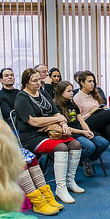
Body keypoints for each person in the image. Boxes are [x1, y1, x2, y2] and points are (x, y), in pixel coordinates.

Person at [0, 73, 61, 215]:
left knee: (31, 158)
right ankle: (37, 202)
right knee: (20, 162)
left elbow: (2, 124)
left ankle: (47, 196)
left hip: (3, 143)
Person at [14, 68, 84, 204]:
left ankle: (70, 181)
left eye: (39, 80)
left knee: (76, 144)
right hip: (31, 136)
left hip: (50, 132)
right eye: (34, 81)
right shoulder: (21, 97)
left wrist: (63, 124)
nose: (38, 83)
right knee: (62, 147)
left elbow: (57, 112)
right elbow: (33, 121)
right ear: (26, 82)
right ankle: (60, 188)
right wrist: (56, 119)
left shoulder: (44, 93)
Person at [54, 81, 109, 177]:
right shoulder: (57, 107)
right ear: (61, 92)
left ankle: (88, 161)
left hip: (81, 130)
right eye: (69, 91)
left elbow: (81, 121)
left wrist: (88, 131)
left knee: (104, 143)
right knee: (89, 147)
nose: (72, 93)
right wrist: (83, 132)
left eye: (72, 90)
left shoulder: (73, 104)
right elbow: (65, 128)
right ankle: (72, 163)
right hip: (71, 133)